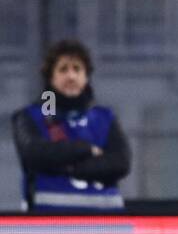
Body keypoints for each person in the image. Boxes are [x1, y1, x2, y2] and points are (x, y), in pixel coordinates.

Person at [12, 40, 131, 211]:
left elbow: (120, 163)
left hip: (106, 226)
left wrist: (62, 165)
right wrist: (87, 150)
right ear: (51, 77)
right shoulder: (29, 116)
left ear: (86, 76)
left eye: (77, 69)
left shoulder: (105, 117)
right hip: (48, 227)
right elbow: (33, 154)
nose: (71, 76)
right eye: (63, 69)